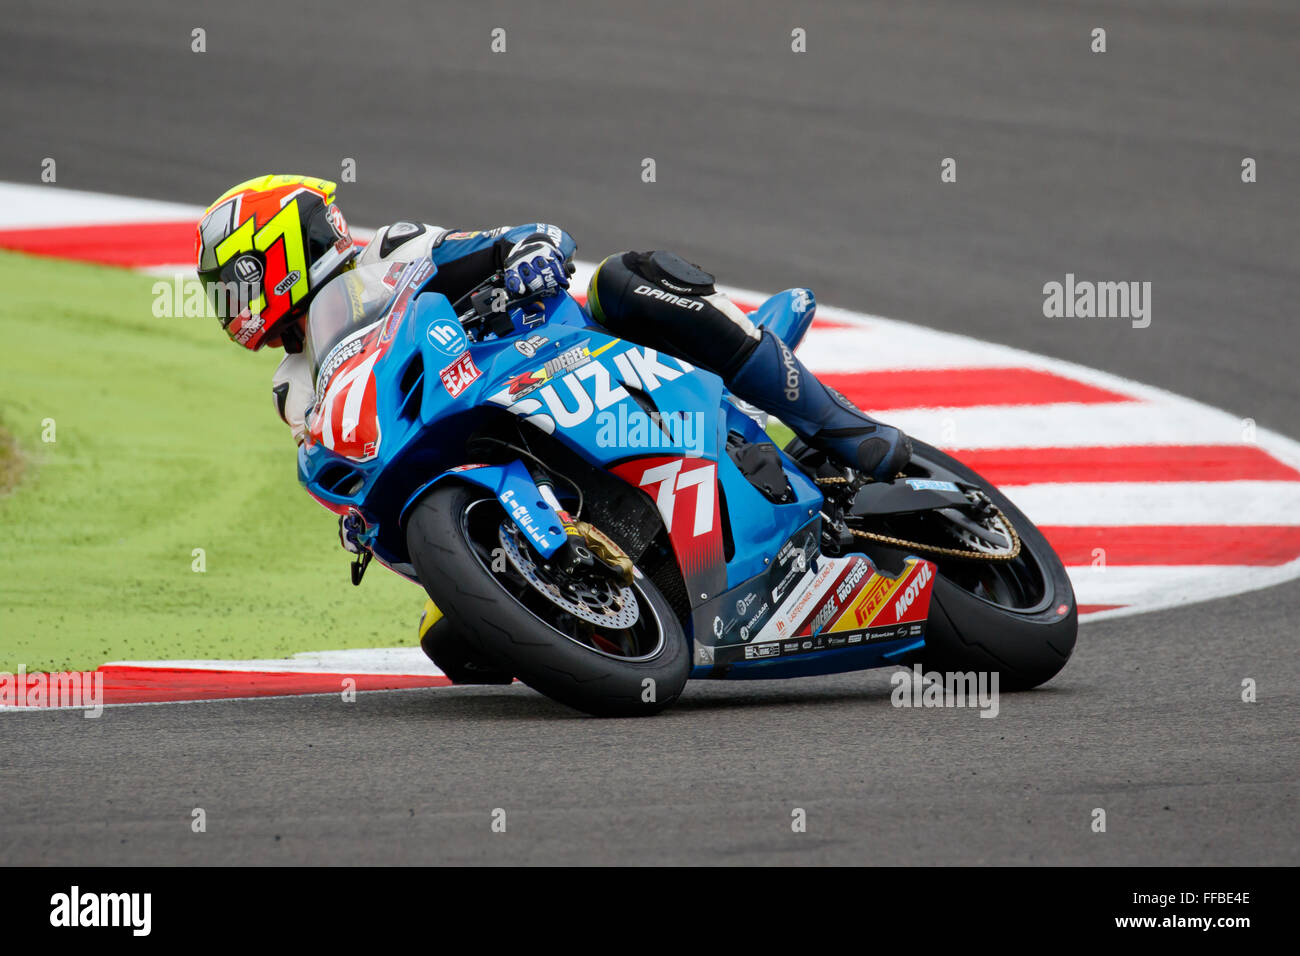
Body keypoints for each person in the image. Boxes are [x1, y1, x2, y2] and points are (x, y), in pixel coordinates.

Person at [195, 174, 911, 672]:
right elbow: (338, 462)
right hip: (465, 445)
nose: (233, 303)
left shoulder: (392, 254)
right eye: (221, 292)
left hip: (559, 357)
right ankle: (582, 583)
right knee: (452, 647)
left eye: (237, 279)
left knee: (626, 279)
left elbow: (523, 236)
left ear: (285, 244)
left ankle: (840, 425)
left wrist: (529, 257)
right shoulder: (293, 388)